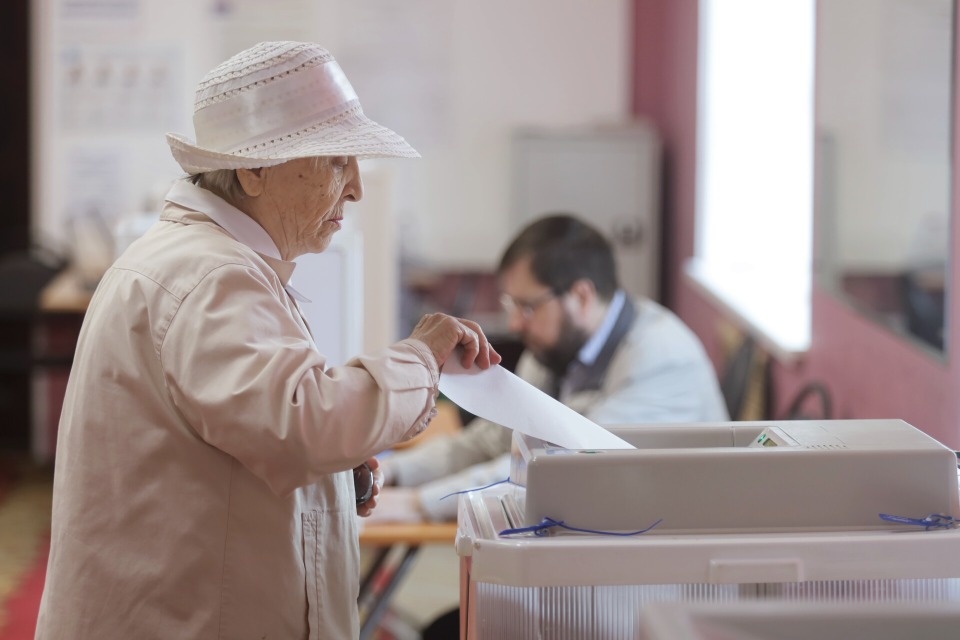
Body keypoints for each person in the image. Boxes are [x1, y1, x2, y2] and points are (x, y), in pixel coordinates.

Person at [34, 41, 500, 640]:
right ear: (253, 170)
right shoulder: (211, 276)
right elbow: (302, 423)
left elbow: (248, 434)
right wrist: (422, 355)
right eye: (336, 162)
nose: (355, 188)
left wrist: (333, 473)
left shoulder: (204, 262)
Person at [371, 214, 729, 525]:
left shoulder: (659, 359)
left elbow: (556, 469)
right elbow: (493, 440)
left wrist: (419, 505)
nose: (514, 323)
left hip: (670, 566)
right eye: (510, 304)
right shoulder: (553, 350)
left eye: (527, 307)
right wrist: (392, 473)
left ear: (582, 296)